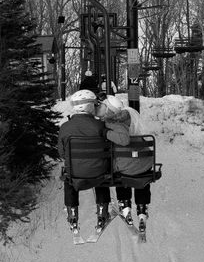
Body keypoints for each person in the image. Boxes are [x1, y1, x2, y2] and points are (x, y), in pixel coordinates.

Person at [95, 95, 152, 231]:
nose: (99, 107)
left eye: (103, 105)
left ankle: (125, 205)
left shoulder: (113, 124)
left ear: (109, 110)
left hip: (126, 166)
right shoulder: (129, 117)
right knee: (140, 178)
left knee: (120, 173)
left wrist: (105, 133)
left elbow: (124, 139)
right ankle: (142, 209)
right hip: (145, 162)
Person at [58, 89, 111, 235]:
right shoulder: (101, 126)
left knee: (69, 179)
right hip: (99, 174)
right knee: (101, 172)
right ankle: (102, 213)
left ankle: (73, 216)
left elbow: (62, 153)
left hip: (76, 175)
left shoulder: (65, 127)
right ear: (89, 106)